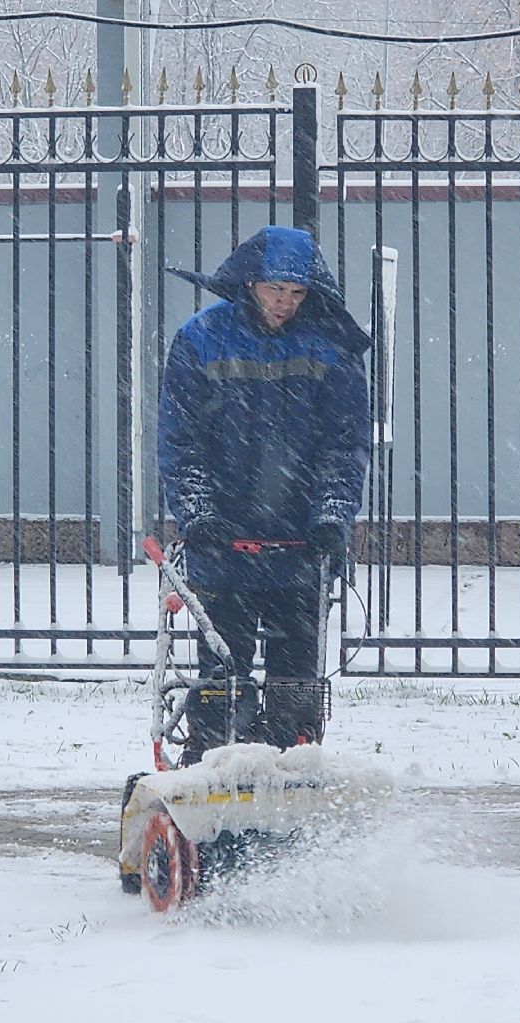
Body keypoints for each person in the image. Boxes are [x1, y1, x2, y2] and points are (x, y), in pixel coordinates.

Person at [157, 225, 371, 764]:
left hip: (300, 541)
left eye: (297, 293)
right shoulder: (200, 340)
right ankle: (210, 755)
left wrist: (331, 515)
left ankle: (293, 757)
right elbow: (181, 439)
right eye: (276, 289)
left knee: (296, 673)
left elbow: (344, 445)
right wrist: (199, 512)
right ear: (249, 281)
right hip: (222, 538)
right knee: (221, 667)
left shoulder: (332, 347)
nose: (285, 303)